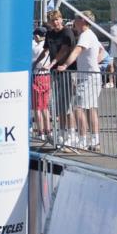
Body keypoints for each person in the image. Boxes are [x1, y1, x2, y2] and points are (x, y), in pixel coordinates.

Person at [55, 11, 104, 151]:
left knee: (78, 108)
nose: (73, 21)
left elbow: (76, 51)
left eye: (76, 19)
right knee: (91, 109)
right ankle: (95, 140)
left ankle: (82, 140)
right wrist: (95, 62)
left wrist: (64, 65)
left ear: (82, 20)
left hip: (89, 78)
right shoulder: (90, 35)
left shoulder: (85, 35)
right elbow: (102, 51)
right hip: (90, 76)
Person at [41, 10, 78, 147]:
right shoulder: (50, 34)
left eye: (57, 19)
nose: (55, 22)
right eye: (53, 20)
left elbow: (64, 50)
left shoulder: (67, 32)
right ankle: (62, 133)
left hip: (67, 71)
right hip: (55, 73)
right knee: (59, 106)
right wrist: (33, 63)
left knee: (68, 105)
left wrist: (51, 64)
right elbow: (45, 50)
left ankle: (72, 134)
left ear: (61, 19)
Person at [31, 27, 52, 142]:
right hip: (47, 75)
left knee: (37, 107)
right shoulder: (48, 45)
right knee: (45, 106)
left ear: (37, 35)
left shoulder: (35, 47)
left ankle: (40, 132)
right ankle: (48, 130)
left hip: (37, 75)